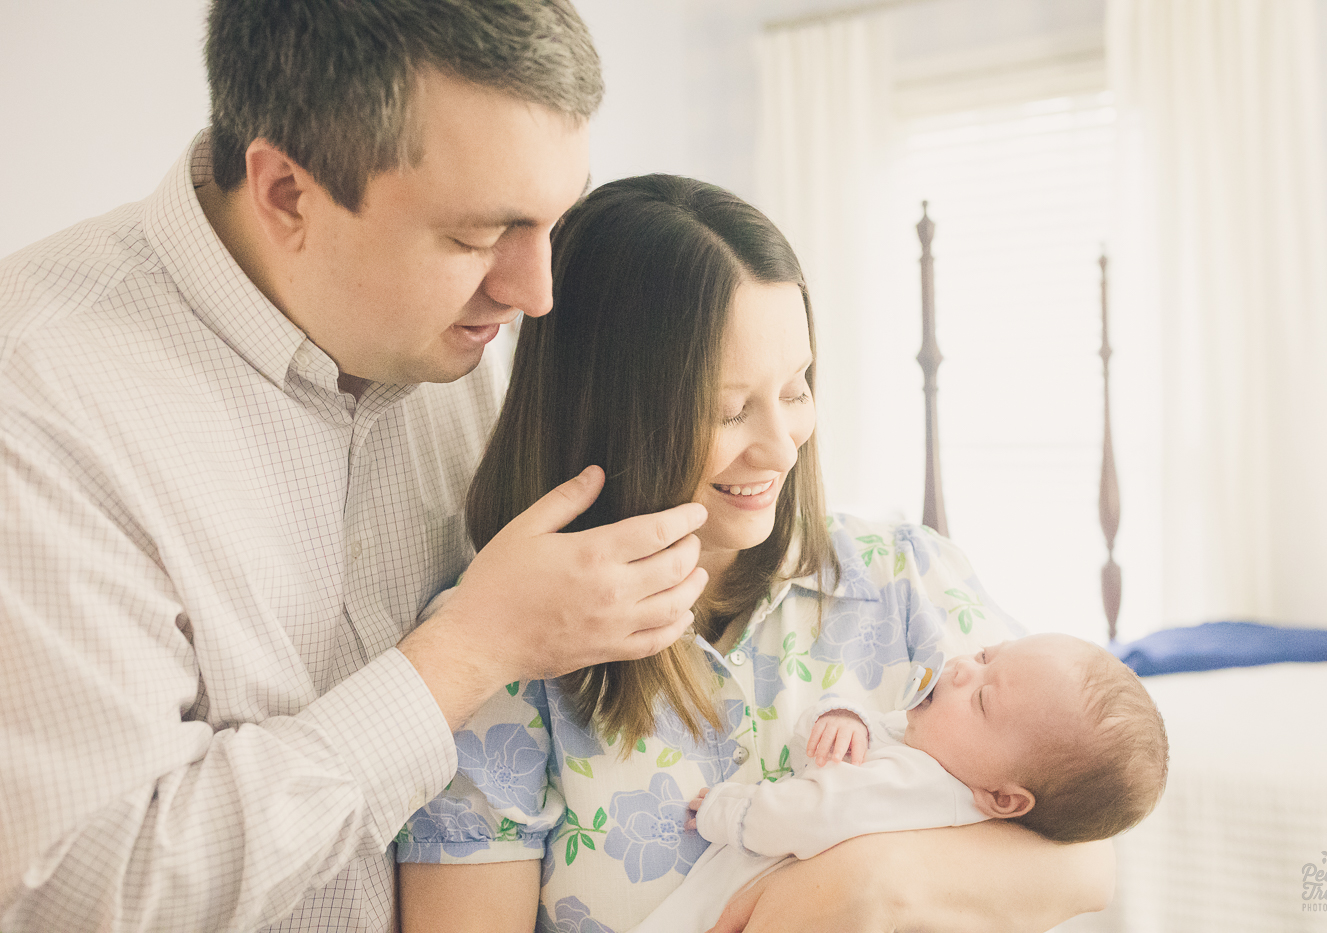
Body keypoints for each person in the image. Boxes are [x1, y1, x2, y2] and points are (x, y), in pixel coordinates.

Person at [0, 3, 711, 931]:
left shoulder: (464, 338)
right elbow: (83, 892)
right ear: (288, 193)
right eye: (473, 236)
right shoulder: (39, 400)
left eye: (554, 220)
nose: (534, 292)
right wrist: (466, 652)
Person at [396, 175, 1117, 933]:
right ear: (609, 414)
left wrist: (868, 882)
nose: (782, 446)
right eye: (732, 409)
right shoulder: (500, 656)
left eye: (798, 387)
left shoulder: (900, 575)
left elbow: (1089, 857)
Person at [632, 633, 1169, 933]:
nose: (961, 669)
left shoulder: (918, 781)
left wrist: (725, 810)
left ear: (1004, 798)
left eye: (983, 698)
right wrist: (847, 718)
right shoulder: (943, 758)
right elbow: (870, 736)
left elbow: (810, 812)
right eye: (986, 656)